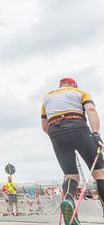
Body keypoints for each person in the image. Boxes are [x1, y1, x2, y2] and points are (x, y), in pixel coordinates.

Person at [41, 77, 104, 224]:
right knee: (100, 173)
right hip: (79, 128)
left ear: (60, 86)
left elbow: (44, 126)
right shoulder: (80, 92)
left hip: (56, 132)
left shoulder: (47, 97)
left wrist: (59, 137)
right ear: (73, 85)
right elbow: (91, 110)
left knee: (70, 176)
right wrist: (96, 134)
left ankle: (68, 201)